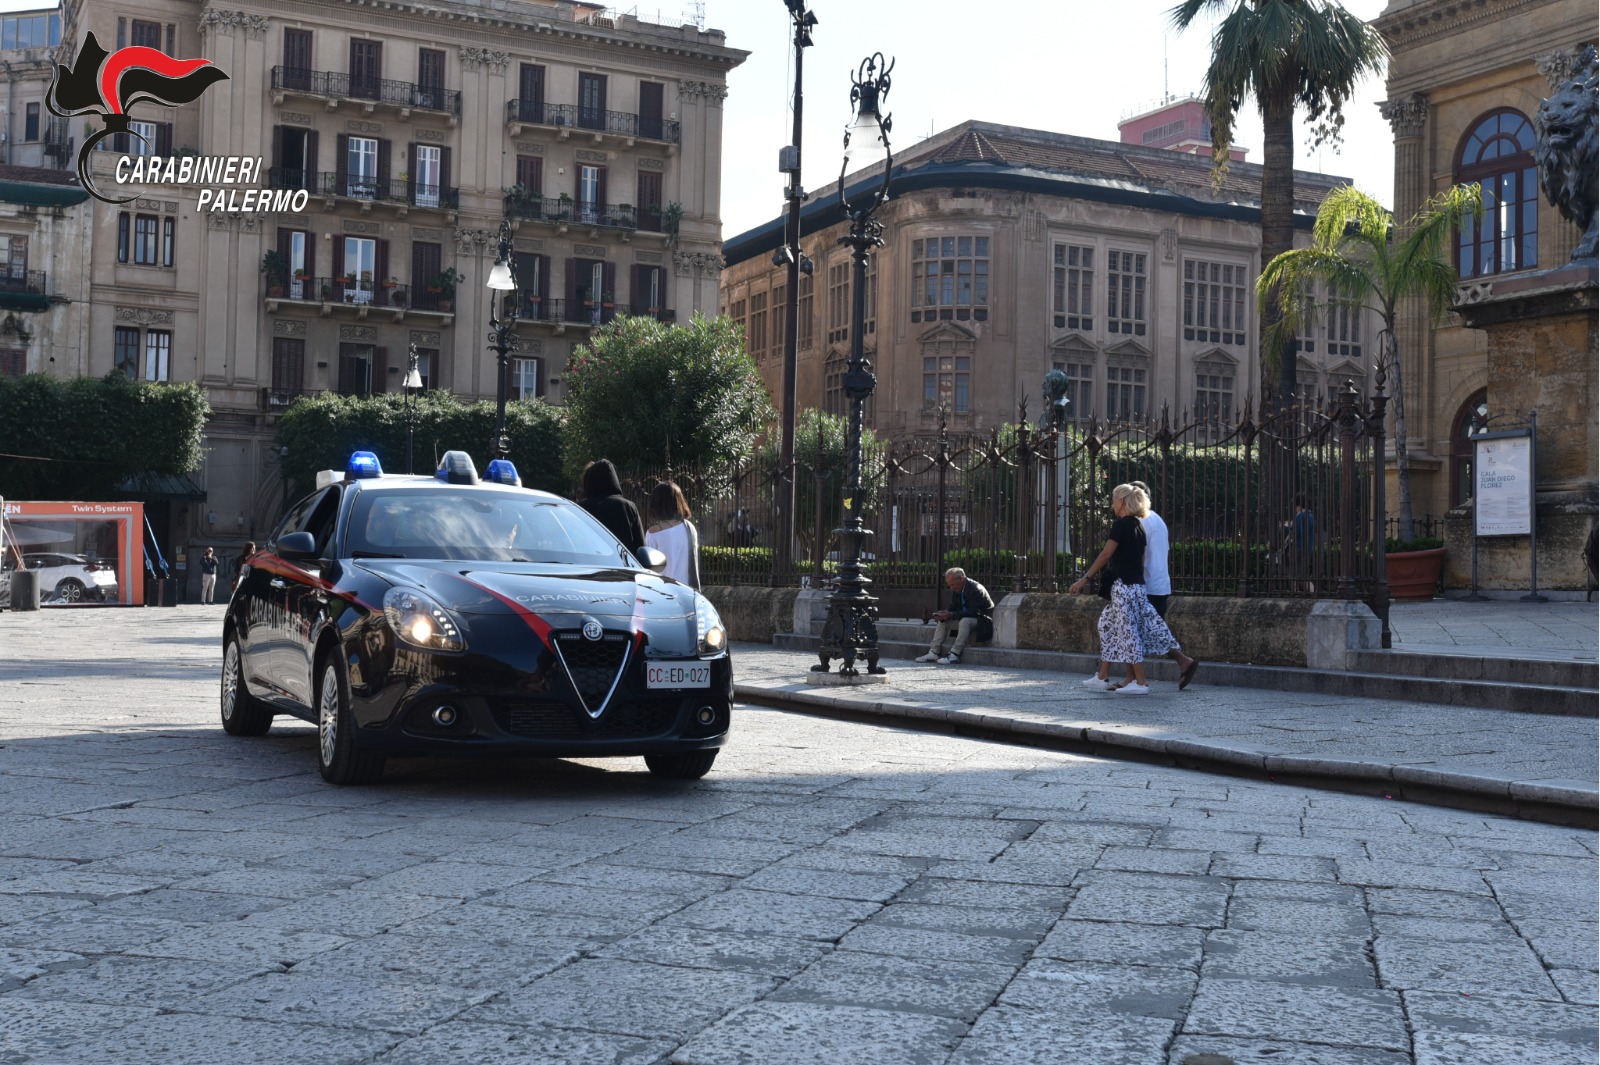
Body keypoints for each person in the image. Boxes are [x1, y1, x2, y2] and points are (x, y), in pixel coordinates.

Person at [1069, 484, 1197, 694]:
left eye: (1113, 500)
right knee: (1108, 625)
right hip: (1140, 584)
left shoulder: (1124, 525)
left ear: (1121, 501)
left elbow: (1106, 555)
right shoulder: (1140, 524)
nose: (1111, 504)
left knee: (1131, 631)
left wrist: (1085, 578)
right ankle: (1104, 676)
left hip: (1131, 586)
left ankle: (1139, 681)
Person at [916, 567, 994, 665]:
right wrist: (944, 613)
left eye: (952, 585)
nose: (951, 588)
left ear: (961, 579)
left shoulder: (975, 589)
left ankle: (954, 655)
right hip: (968, 619)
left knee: (965, 621)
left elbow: (974, 612)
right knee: (943, 622)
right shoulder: (958, 589)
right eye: (949, 585)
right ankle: (934, 651)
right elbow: (952, 607)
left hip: (983, 622)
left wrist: (952, 615)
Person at [577, 459, 646, 554]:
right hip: (623, 565)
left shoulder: (579, 509)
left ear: (588, 481)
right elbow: (641, 547)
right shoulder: (627, 507)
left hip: (589, 564)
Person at [645, 480, 701, 588]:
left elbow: (649, 571)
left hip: (663, 592)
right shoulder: (690, 527)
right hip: (687, 591)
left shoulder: (653, 533)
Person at [1288, 493, 1317, 592]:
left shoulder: (1299, 517)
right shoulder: (1311, 516)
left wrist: (1289, 529)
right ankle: (1313, 592)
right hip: (1307, 549)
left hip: (1298, 549)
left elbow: (1297, 533)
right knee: (1304, 575)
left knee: (1294, 575)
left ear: (1299, 505)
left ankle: (1295, 593)